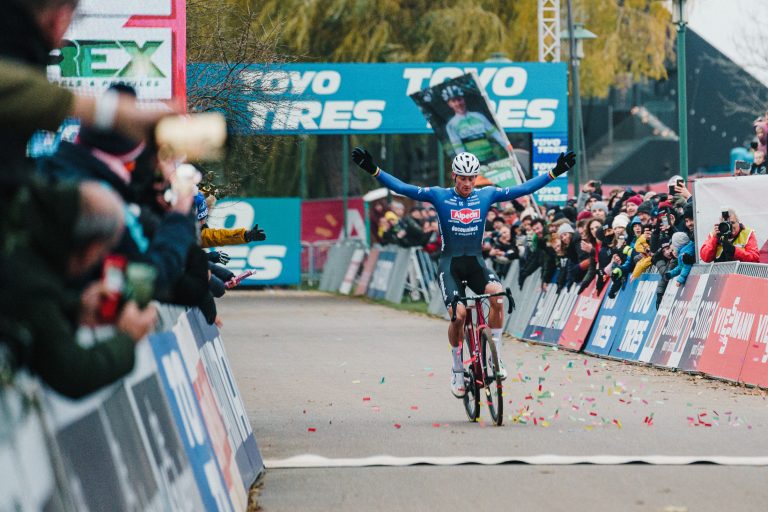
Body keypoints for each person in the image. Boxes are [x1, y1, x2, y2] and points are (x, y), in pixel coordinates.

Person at [352, 146, 575, 397]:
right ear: (454, 176)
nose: (468, 183)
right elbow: (403, 188)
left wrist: (555, 172)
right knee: (458, 316)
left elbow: (523, 189)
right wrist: (374, 170)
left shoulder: (487, 195)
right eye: (463, 177)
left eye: (471, 178)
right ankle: (457, 368)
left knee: (498, 296)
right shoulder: (438, 195)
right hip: (450, 265)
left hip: (476, 263)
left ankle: (496, 357)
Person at [0, 181, 157, 398]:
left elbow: (35, 319)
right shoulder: (30, 282)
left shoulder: (22, 219)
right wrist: (128, 337)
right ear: (92, 249)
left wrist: (73, 309)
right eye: (103, 251)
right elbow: (74, 373)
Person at [443, 85, 510, 164]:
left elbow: (496, 134)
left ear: (463, 99)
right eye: (454, 101)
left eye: (459, 99)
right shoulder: (451, 125)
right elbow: (458, 147)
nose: (458, 103)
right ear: (450, 104)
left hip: (492, 158)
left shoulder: (479, 116)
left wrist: (509, 149)